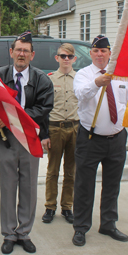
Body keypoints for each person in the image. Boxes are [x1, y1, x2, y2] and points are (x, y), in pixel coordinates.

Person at [0, 31, 53, 255]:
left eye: (26, 51)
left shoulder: (42, 80)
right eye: (18, 50)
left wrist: (13, 119)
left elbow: (43, 109)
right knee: (8, 188)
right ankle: (9, 233)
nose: (21, 54)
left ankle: (24, 232)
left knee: (28, 188)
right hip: (6, 140)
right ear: (11, 52)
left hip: (29, 140)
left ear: (32, 55)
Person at [71, 35, 128, 247]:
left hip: (117, 138)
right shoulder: (83, 75)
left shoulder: (122, 76)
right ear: (90, 54)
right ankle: (81, 227)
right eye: (96, 51)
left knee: (112, 185)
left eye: (104, 51)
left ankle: (108, 224)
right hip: (90, 139)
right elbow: (80, 95)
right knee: (84, 186)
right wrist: (96, 83)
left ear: (110, 53)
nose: (100, 54)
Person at [42, 43, 79, 224]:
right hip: (55, 128)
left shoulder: (80, 79)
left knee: (71, 171)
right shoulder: (49, 79)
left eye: (69, 56)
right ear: (56, 58)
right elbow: (43, 108)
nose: (66, 59)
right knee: (52, 170)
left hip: (74, 128)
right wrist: (44, 134)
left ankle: (67, 207)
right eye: (63, 56)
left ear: (74, 59)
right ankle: (50, 206)